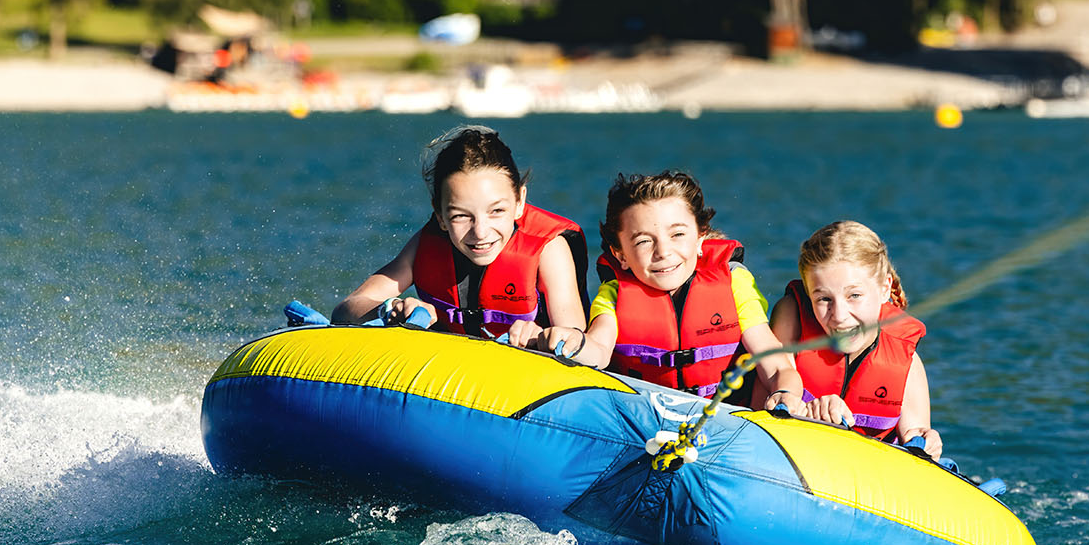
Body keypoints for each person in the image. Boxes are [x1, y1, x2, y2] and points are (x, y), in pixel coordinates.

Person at [516, 170, 804, 411]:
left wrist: (785, 393)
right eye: (643, 241)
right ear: (620, 254)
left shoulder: (733, 283)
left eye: (677, 234)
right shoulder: (614, 294)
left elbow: (776, 365)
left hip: (726, 421)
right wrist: (573, 341)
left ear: (700, 238)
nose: (663, 252)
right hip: (645, 422)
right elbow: (600, 350)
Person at [332, 126, 588, 339]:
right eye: (461, 216)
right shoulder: (427, 244)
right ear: (440, 215)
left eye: (497, 211)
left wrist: (540, 338)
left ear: (520, 201)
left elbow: (574, 339)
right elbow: (346, 309)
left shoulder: (549, 250)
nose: (481, 232)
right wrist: (390, 309)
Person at [762, 221, 941, 458]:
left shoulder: (906, 363)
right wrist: (804, 411)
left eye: (854, 295)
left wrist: (928, 441)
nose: (839, 316)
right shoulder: (791, 321)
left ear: (884, 288)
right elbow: (765, 402)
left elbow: (916, 437)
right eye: (824, 299)